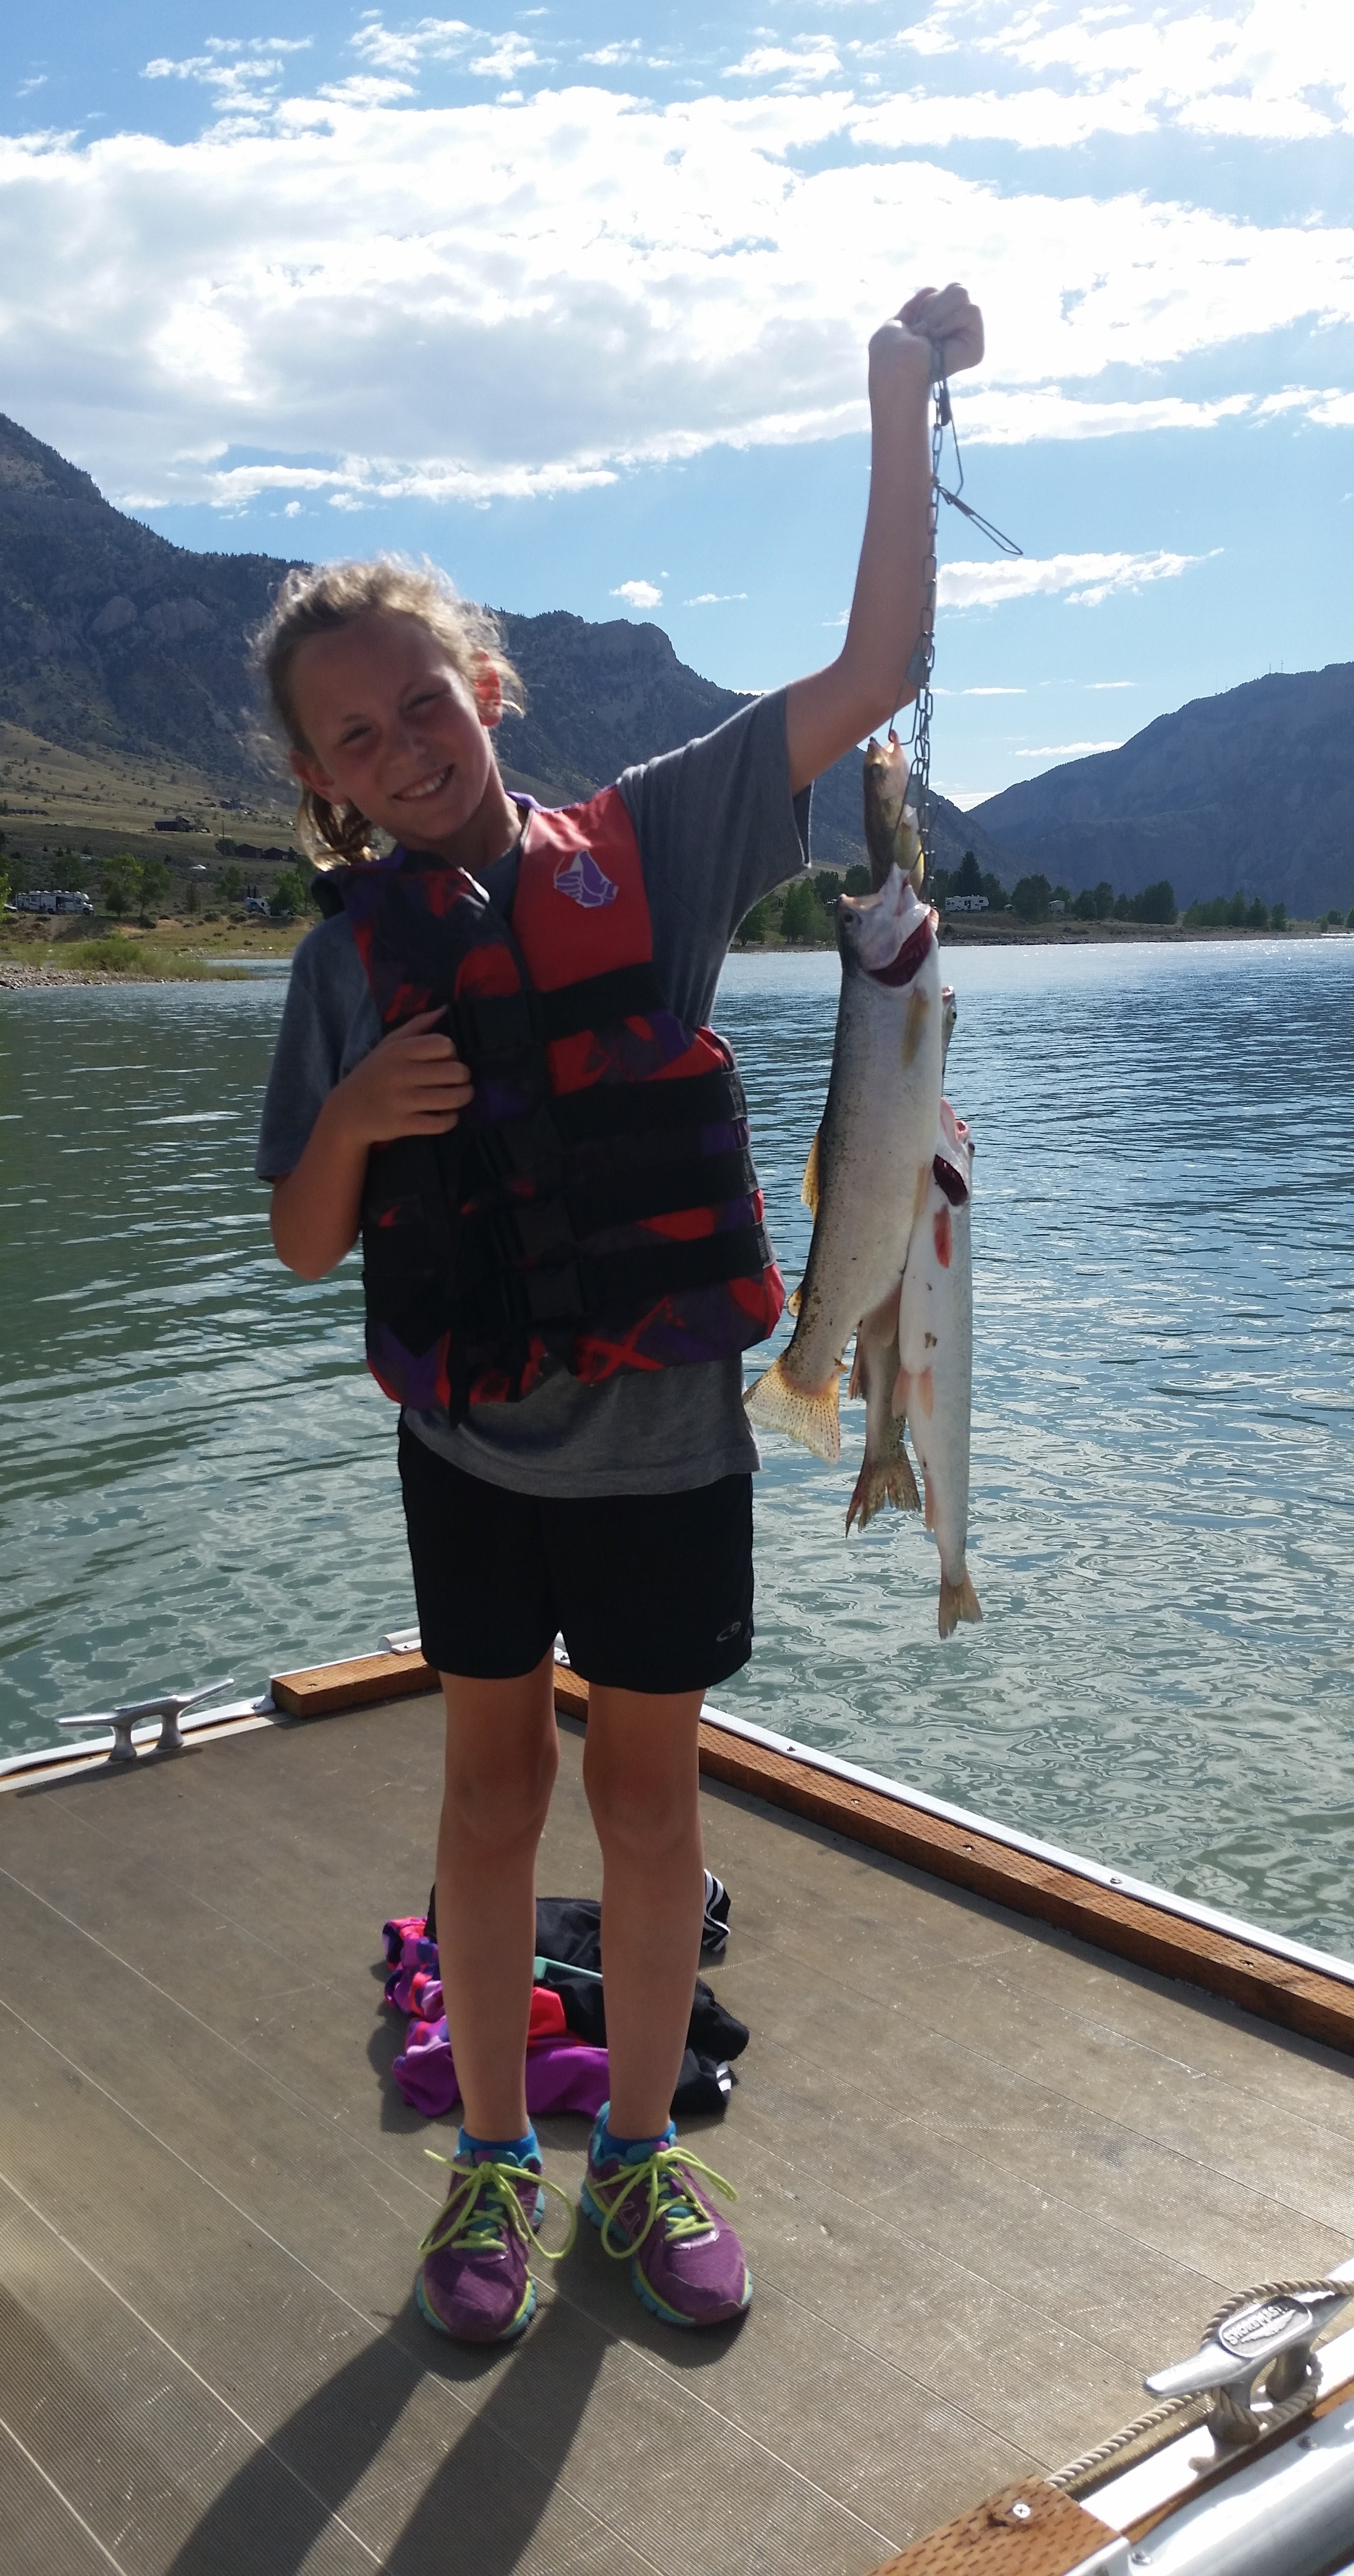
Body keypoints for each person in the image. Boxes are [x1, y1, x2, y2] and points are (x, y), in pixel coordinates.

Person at [255, 283, 984, 2346]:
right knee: (490, 1797)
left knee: (652, 1802)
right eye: (356, 736)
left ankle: (636, 2151)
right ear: (324, 781)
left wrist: (891, 399)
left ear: (487, 686)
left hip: (669, 1443)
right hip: (471, 1450)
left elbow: (879, 666)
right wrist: (365, 1125)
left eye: (428, 703)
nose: (404, 750)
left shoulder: (654, 844)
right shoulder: (341, 972)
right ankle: (493, 2159)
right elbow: (309, 1241)